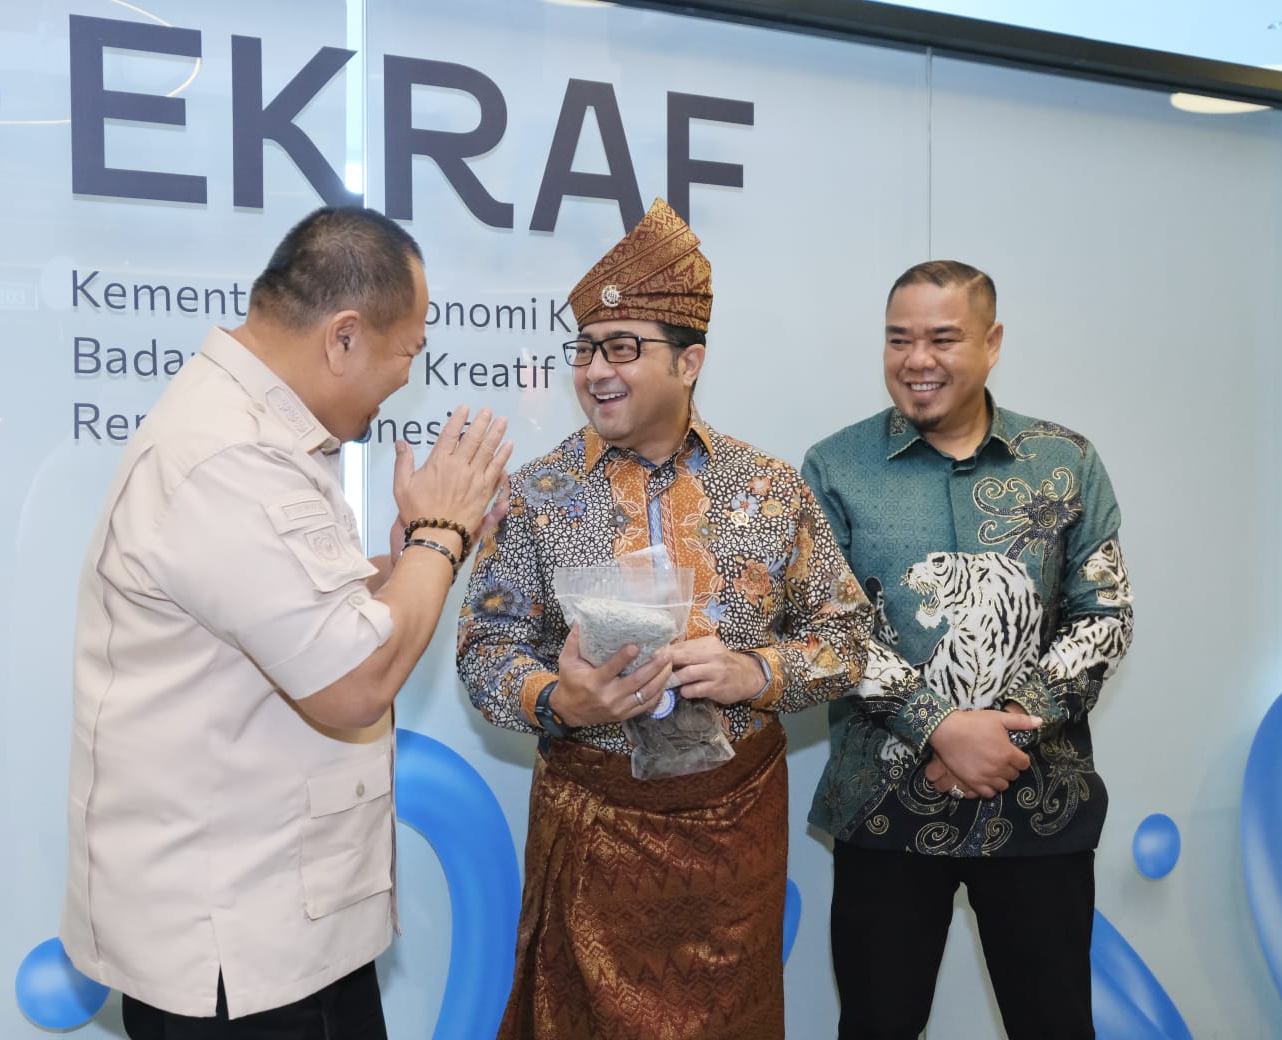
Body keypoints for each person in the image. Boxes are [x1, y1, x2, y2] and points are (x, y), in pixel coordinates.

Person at [60, 206, 513, 1039]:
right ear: (344, 337)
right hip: (237, 954)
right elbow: (353, 681)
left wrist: (408, 559)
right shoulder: (229, 455)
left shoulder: (253, 431)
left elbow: (286, 609)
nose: (408, 378)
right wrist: (441, 537)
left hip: (278, 934)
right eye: (409, 351)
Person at [457, 198, 871, 1039]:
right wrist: (557, 699)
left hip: (732, 845)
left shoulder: (770, 489)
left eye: (622, 347)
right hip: (592, 832)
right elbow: (485, 649)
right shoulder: (536, 495)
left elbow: (851, 638)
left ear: (690, 362)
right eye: (584, 349)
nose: (595, 370)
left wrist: (757, 673)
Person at [801, 260, 1135, 1040]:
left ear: (992, 342)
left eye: (943, 338)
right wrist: (941, 728)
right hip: (883, 810)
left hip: (1039, 808)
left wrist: (1008, 728)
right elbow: (827, 627)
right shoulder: (835, 467)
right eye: (899, 339)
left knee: (1055, 1025)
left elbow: (1105, 614)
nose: (917, 360)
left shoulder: (1065, 462)